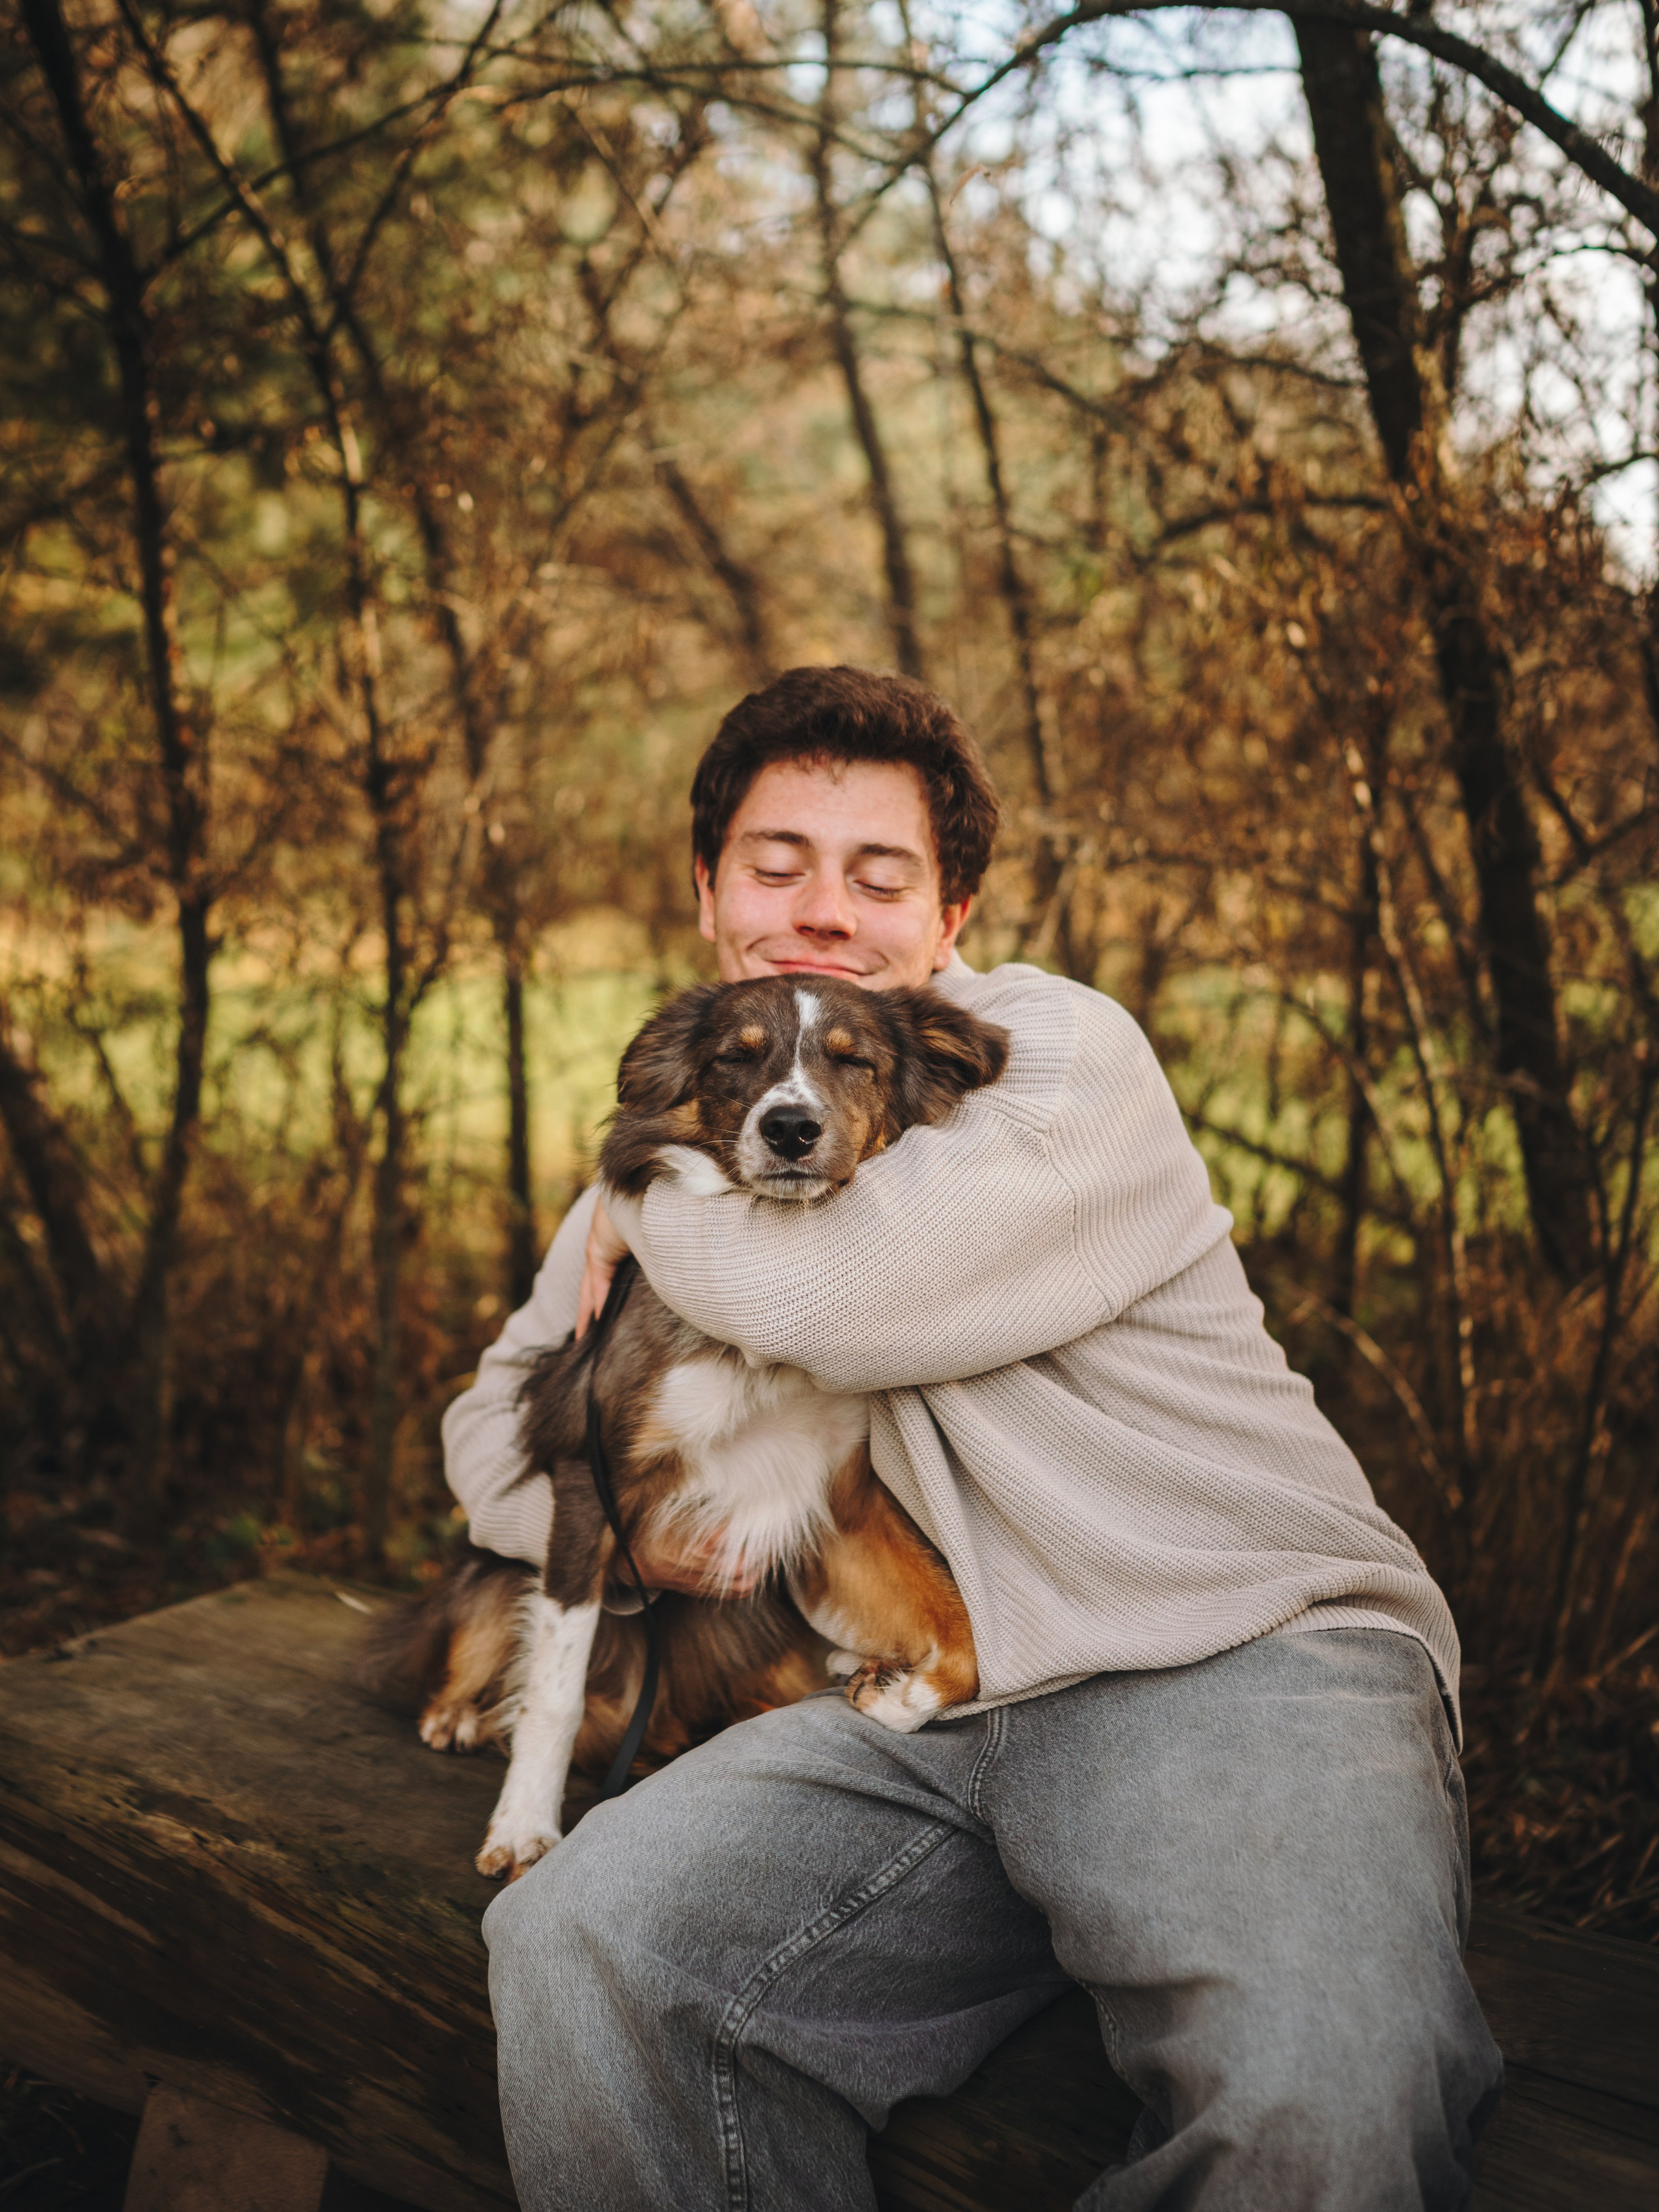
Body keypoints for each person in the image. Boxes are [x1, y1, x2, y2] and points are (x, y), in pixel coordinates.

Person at [443, 665, 1502, 2210]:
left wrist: (635, 1194)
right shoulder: (702, 1137)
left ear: (952, 915)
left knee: (1315, 2109)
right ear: (706, 892)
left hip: (1226, 1655)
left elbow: (827, 1298)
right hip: (907, 1709)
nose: (820, 910)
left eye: (878, 878)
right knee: (583, 1951)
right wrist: (636, 1540)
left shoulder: (1052, 1057)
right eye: (775, 865)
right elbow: (494, 1424)